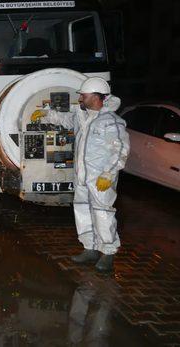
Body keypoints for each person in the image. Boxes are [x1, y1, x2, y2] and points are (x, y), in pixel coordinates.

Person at [31, 77, 130, 273]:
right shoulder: (82, 117)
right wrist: (46, 114)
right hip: (82, 177)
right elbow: (65, 119)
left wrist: (108, 174)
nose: (81, 99)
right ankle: (90, 249)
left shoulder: (112, 121)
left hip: (101, 178)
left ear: (95, 96)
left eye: (83, 95)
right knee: (83, 211)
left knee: (102, 213)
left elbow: (121, 149)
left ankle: (108, 253)